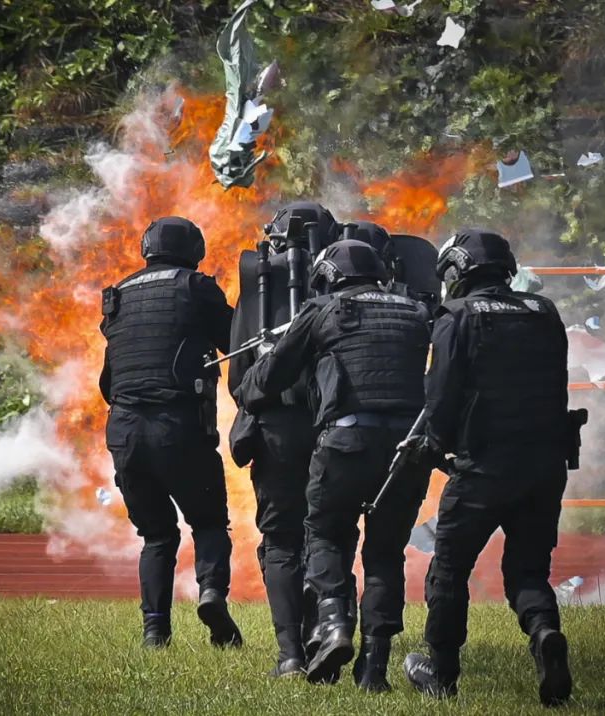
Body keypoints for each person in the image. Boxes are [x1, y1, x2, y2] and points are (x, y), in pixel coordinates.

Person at [237, 239, 432, 689]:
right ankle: (374, 669)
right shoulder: (415, 310)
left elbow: (273, 375)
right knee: (385, 553)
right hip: (408, 448)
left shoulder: (323, 308)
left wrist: (251, 381)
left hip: (347, 442)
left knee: (325, 533)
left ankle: (335, 626)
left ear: (327, 277)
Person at [401, 229, 574, 707]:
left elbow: (440, 396)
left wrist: (433, 447)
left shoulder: (457, 315)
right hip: (544, 466)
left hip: (482, 468)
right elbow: (556, 388)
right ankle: (544, 632)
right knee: (528, 571)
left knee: (449, 569)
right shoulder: (544, 312)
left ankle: (441, 672)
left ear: (458, 270)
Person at [99, 216, 242, 650]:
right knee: (209, 522)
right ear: (194, 250)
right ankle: (211, 593)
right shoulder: (195, 287)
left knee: (157, 536)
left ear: (147, 248)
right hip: (179, 427)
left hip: (124, 432)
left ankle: (155, 631)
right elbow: (235, 341)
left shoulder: (119, 294)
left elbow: (108, 381)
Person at [227, 201, 340, 678]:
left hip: (273, 430)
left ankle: (290, 655)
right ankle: (325, 633)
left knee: (279, 541)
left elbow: (238, 377)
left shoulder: (257, 285)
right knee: (327, 534)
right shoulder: (343, 289)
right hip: (331, 430)